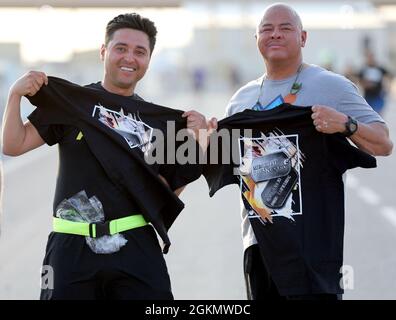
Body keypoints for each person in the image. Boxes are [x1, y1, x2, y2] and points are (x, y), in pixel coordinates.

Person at [2, 13, 209, 300]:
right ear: (104, 52)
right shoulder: (71, 104)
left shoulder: (159, 123)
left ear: (148, 60)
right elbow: (14, 145)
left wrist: (197, 143)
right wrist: (14, 96)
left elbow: (163, 191)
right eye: (120, 48)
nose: (129, 58)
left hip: (136, 245)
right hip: (69, 246)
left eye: (140, 51)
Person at [222, 3, 393, 300]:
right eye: (266, 29)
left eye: (285, 28)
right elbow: (223, 160)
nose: (275, 34)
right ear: (257, 39)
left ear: (303, 37)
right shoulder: (240, 101)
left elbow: (383, 142)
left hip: (312, 245)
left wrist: (346, 124)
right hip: (258, 244)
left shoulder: (332, 86)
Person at [358, 51, 392, 115]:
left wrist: (387, 86)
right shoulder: (364, 69)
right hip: (368, 95)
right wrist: (365, 84)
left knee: (378, 113)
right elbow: (359, 80)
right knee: (369, 114)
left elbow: (389, 76)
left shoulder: (380, 68)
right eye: (368, 57)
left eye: (371, 57)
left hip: (378, 95)